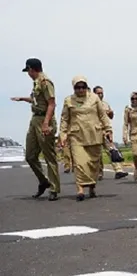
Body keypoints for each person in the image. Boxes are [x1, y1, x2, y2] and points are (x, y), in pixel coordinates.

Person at [11, 58, 60, 201]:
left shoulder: (46, 82)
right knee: (30, 156)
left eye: (28, 71)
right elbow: (37, 100)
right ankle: (44, 181)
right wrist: (23, 99)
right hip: (35, 119)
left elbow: (51, 104)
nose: (28, 74)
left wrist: (46, 123)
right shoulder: (36, 83)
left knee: (49, 155)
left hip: (45, 119)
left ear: (32, 69)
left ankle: (54, 188)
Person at [59, 76, 113, 201]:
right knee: (80, 163)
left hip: (94, 134)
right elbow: (64, 119)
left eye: (83, 87)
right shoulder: (69, 101)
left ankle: (92, 187)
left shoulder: (94, 98)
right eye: (77, 87)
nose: (80, 90)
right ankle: (80, 190)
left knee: (93, 164)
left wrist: (108, 129)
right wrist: (62, 134)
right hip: (77, 136)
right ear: (74, 88)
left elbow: (102, 115)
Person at [93, 86, 128, 180]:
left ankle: (118, 170)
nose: (100, 95)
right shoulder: (91, 104)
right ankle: (99, 173)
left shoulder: (105, 104)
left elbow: (110, 117)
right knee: (97, 154)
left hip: (105, 131)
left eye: (101, 93)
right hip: (95, 131)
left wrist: (110, 113)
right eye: (98, 93)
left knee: (112, 151)